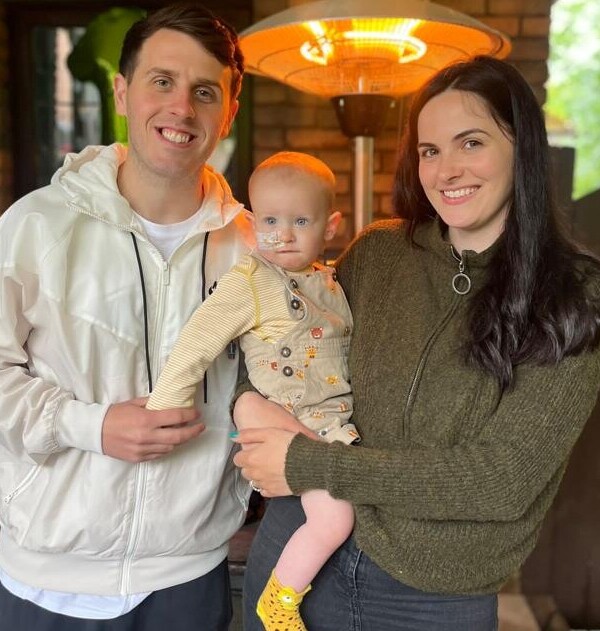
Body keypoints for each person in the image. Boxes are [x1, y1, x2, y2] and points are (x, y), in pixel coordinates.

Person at [232, 55, 600, 630]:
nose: (446, 170)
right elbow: (279, 349)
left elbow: (502, 481)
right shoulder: (378, 253)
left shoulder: (574, 295)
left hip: (429, 599)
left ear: (520, 147)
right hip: (296, 555)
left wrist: (309, 462)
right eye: (430, 151)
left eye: (471, 143)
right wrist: (247, 404)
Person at [0, 3, 251, 630]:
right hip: (42, 582)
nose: (181, 109)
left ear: (229, 111)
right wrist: (91, 425)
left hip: (188, 580)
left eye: (204, 91)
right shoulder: (35, 226)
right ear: (122, 90)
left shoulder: (253, 248)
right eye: (161, 82)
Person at [147, 151, 360, 631]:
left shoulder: (327, 282)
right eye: (269, 220)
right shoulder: (249, 281)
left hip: (319, 416)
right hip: (274, 413)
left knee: (338, 508)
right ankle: (279, 601)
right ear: (252, 221)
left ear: (330, 226)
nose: (282, 234)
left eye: (300, 221)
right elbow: (196, 343)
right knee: (335, 519)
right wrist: (164, 406)